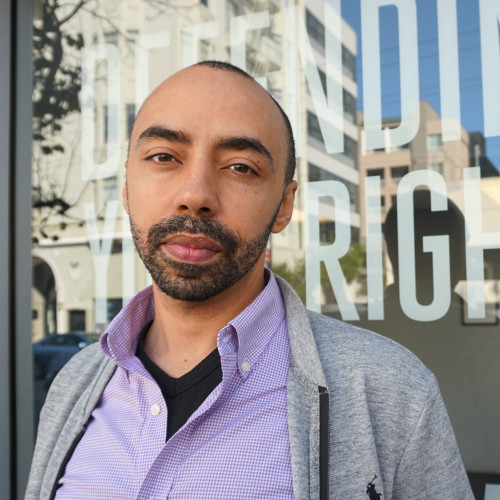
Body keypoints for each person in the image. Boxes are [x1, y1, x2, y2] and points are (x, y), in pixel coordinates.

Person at [25, 61, 473, 499]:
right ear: (126, 188)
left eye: (240, 167)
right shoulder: (75, 386)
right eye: (163, 157)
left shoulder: (392, 394)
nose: (195, 195)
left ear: (283, 206)